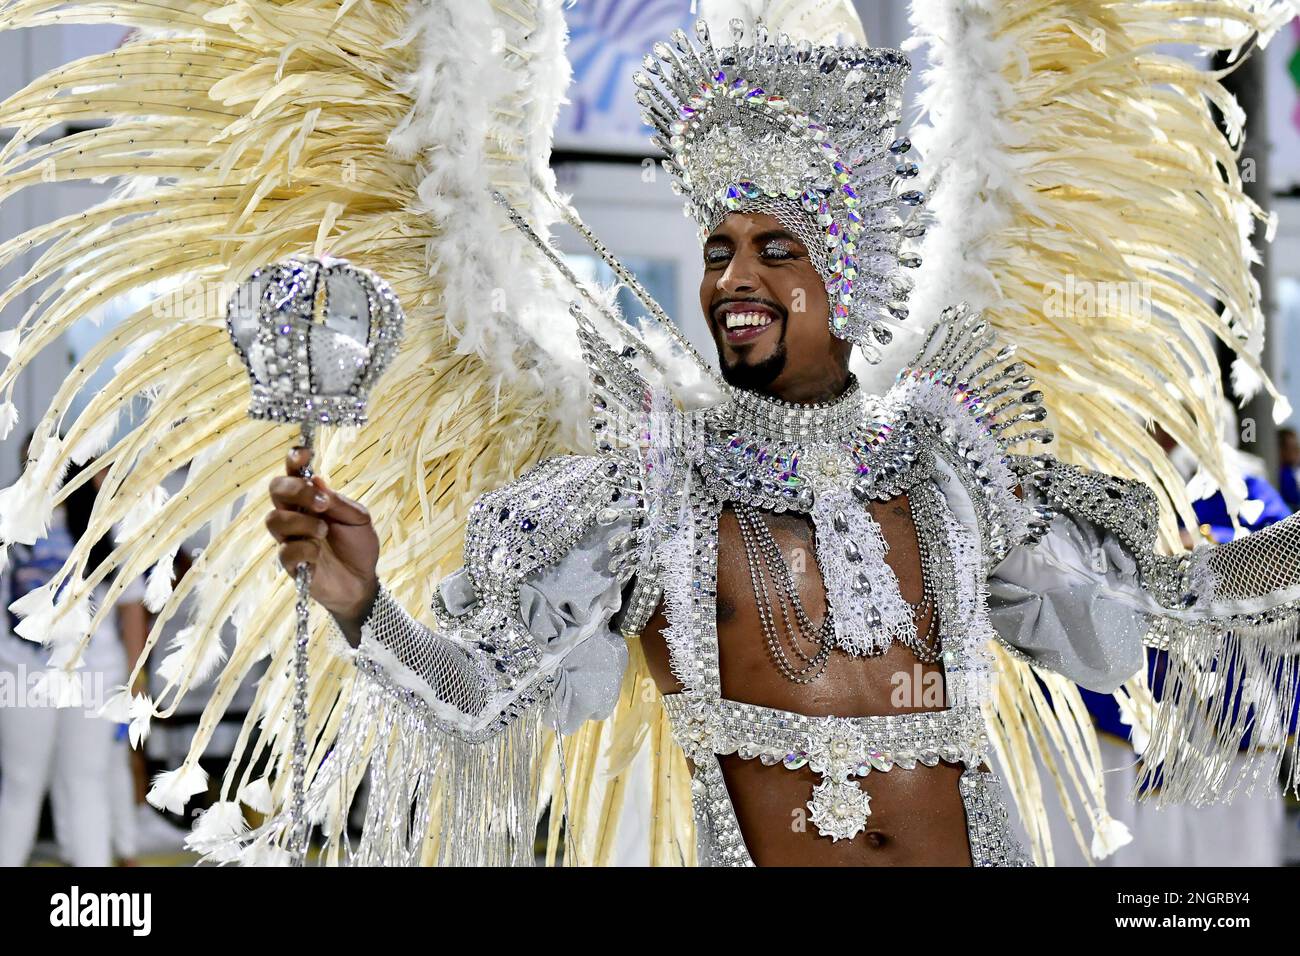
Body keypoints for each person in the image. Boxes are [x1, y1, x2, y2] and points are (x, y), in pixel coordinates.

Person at [4, 0, 1300, 868]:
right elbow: (485, 704)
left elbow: (1164, 614)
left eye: (777, 251)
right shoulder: (649, 485)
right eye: (721, 246)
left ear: (849, 268)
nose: (735, 280)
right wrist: (364, 607)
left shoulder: (952, 460)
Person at [0, 450, 144, 866]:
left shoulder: (108, 522)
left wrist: (133, 680)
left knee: (86, 783)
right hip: (21, 670)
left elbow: (131, 605)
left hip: (93, 672)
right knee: (22, 784)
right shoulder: (10, 517)